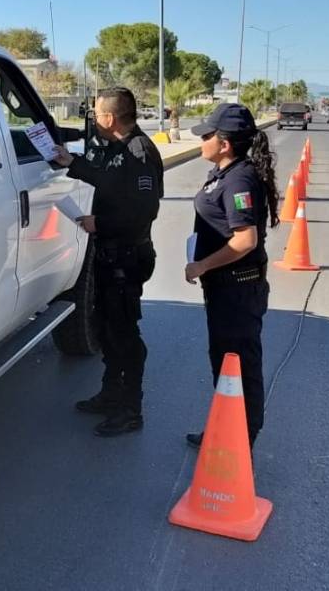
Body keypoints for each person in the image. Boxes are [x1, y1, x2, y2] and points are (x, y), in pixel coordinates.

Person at [52, 87, 164, 437]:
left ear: (110, 118)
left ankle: (131, 408)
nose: (94, 119)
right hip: (109, 254)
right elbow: (109, 180)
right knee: (105, 327)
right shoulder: (117, 149)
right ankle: (110, 392)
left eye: (97, 114)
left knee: (124, 333)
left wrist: (99, 223)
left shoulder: (140, 152)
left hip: (127, 256)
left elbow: (145, 209)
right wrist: (73, 163)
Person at [182, 103, 280, 450]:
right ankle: (225, 430)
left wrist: (203, 265)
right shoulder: (224, 171)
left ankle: (241, 444)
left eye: (207, 135)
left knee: (240, 368)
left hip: (238, 289)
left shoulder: (239, 178)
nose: (201, 140)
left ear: (224, 143)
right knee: (224, 366)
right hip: (224, 290)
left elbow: (245, 240)